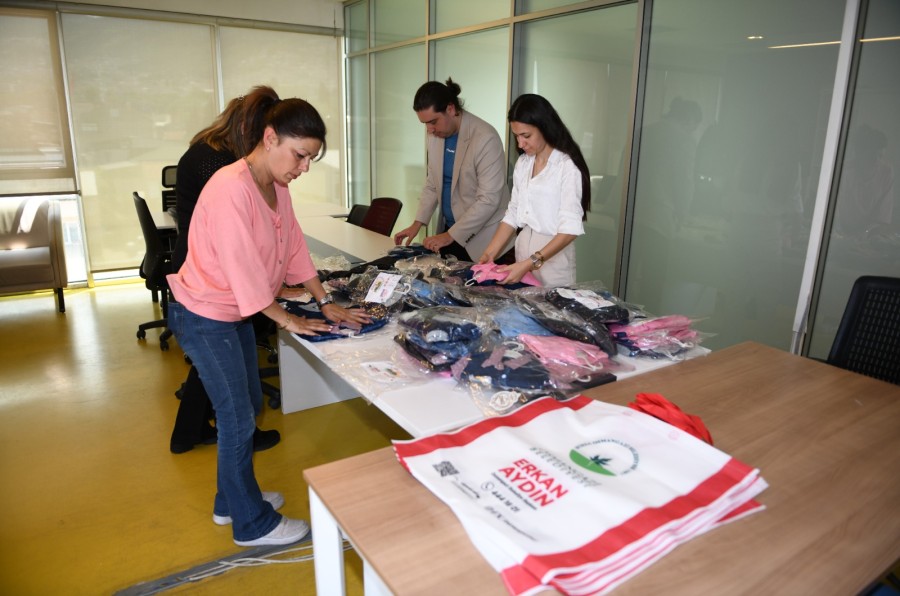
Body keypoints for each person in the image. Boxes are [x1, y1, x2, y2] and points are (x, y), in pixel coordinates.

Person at [166, 98, 371, 546]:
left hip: (231, 312)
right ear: (270, 137)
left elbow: (293, 246)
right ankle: (251, 523)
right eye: (300, 155)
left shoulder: (275, 186)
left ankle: (230, 500)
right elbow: (242, 270)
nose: (304, 168)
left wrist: (324, 301)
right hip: (204, 314)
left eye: (310, 159)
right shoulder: (230, 188)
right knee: (237, 418)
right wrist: (287, 321)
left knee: (249, 404)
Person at [169, 86, 292, 455]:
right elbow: (236, 234)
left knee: (219, 367)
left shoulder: (209, 149)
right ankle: (196, 433)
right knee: (223, 368)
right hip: (208, 271)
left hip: (202, 263)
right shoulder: (221, 165)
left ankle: (190, 432)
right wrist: (280, 304)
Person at [393, 78, 513, 262]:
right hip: (450, 232)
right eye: (425, 124)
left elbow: (488, 200)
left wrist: (451, 235)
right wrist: (417, 223)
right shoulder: (436, 135)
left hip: (485, 239)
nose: (430, 129)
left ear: (450, 109)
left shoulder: (485, 138)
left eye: (433, 122)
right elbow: (433, 183)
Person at [477, 94, 590, 287]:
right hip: (524, 254)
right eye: (517, 136)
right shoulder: (524, 163)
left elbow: (570, 230)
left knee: (550, 305)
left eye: (526, 136)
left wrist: (530, 263)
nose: (520, 144)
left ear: (545, 127)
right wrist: (489, 254)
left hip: (553, 261)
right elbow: (513, 214)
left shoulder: (566, 166)